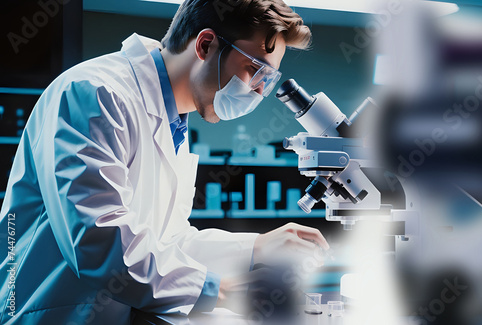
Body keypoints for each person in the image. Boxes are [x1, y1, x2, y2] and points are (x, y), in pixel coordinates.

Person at [0, 0, 329, 324]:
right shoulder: (95, 92)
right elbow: (97, 241)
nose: (259, 91)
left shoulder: (175, 123)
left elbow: (164, 244)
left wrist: (256, 247)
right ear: (206, 44)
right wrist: (224, 291)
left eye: (268, 79)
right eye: (255, 70)